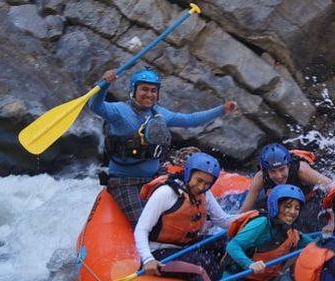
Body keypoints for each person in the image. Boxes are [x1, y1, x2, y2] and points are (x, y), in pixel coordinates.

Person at [89, 67, 238, 225]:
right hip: (124, 181)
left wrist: (222, 109)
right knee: (146, 224)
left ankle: (221, 219)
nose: (149, 94)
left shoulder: (160, 114)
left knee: (183, 207)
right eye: (144, 89)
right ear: (133, 91)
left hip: (154, 177)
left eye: (153, 90)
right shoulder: (119, 111)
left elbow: (191, 120)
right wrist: (104, 84)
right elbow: (95, 106)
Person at [134, 152, 236, 281]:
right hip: (158, 252)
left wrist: (248, 220)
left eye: (207, 184)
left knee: (227, 243)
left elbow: (222, 220)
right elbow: (141, 229)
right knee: (206, 263)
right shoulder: (166, 193)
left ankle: (238, 277)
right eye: (198, 180)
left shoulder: (205, 194)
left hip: (185, 246)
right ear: (188, 173)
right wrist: (148, 259)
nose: (201, 187)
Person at [221, 184, 316, 281]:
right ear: (275, 206)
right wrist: (249, 264)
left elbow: (315, 244)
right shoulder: (262, 223)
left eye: (297, 208)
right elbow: (233, 246)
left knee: (300, 251)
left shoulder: (292, 232)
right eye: (288, 206)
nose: (293, 212)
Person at [238, 143, 332, 213]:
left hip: (308, 200)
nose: (278, 176)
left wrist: (331, 220)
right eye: (273, 171)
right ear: (266, 171)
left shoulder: (302, 171)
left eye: (282, 169)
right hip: (282, 203)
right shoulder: (261, 176)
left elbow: (332, 187)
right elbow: (244, 210)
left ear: (288, 166)